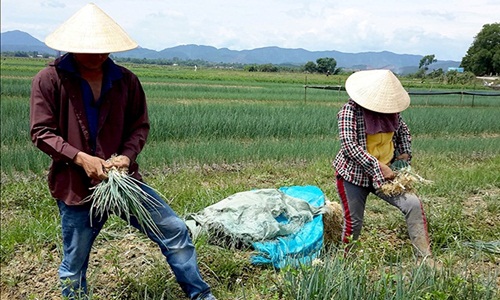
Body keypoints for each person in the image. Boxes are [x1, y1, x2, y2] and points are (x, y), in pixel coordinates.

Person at [29, 3, 216, 300]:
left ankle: (201, 296)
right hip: (77, 188)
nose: (99, 55)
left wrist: (126, 157)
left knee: (175, 231)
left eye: (105, 49)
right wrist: (80, 158)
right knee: (74, 265)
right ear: (73, 46)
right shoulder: (50, 80)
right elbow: (41, 132)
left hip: (124, 182)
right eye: (90, 49)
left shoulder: (126, 81)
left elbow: (139, 127)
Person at [333, 69, 432, 259]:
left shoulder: (392, 113)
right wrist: (378, 167)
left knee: (413, 205)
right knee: (354, 222)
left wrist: (403, 154)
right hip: (354, 175)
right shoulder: (350, 112)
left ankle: (424, 257)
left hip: (387, 176)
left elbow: (403, 132)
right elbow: (349, 146)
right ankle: (346, 262)